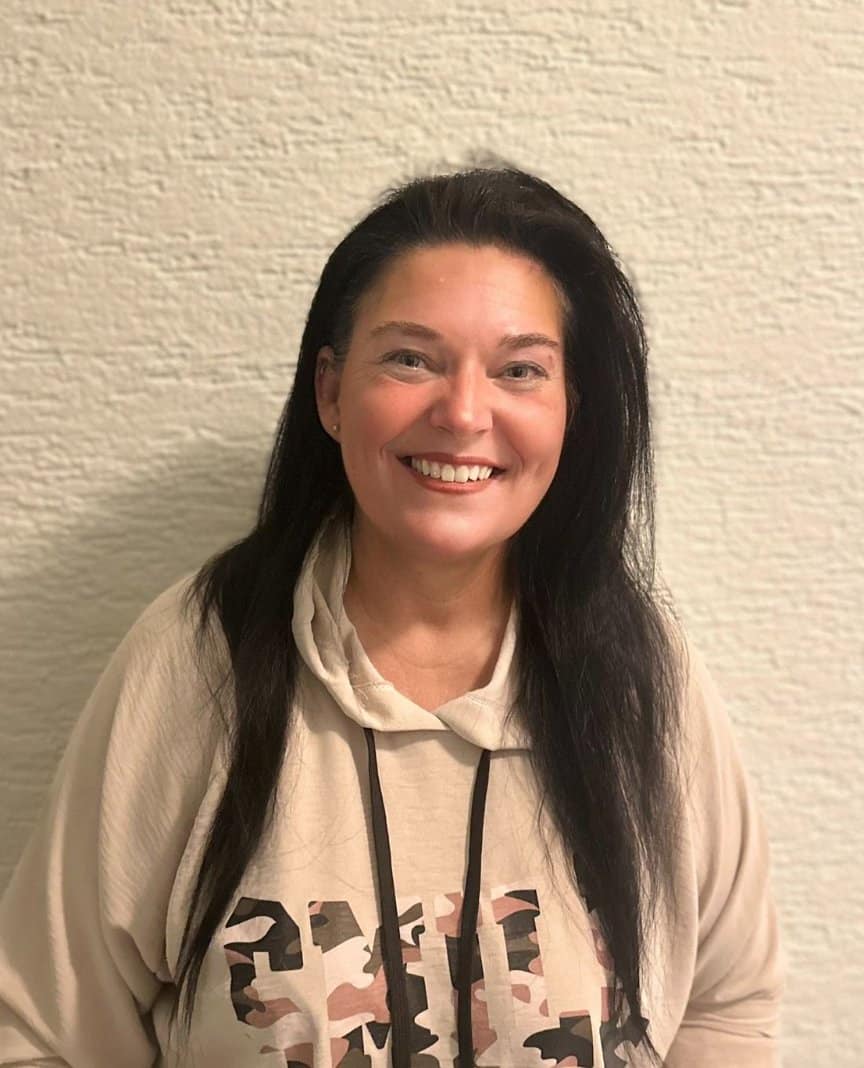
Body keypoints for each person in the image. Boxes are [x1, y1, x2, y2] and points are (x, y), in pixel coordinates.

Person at [0, 162, 784, 1067]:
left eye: (520, 370)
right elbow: (44, 1031)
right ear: (331, 393)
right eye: (411, 358)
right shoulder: (200, 659)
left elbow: (727, 1008)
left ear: (574, 411)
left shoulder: (643, 676)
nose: (463, 413)